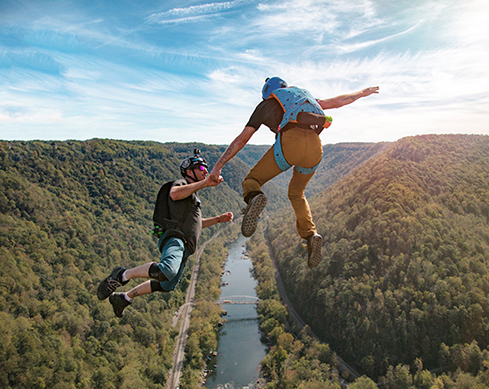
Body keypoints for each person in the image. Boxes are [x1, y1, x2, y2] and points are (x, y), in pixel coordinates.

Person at [209, 77, 378, 269]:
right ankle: (310, 234)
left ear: (267, 92)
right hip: (315, 149)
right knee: (297, 193)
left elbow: (241, 140)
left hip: (291, 143)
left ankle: (255, 198)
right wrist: (362, 93)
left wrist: (218, 166)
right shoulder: (304, 99)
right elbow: (338, 102)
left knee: (253, 180)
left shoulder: (265, 105)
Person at [97, 150, 233, 317]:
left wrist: (218, 219)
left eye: (206, 168)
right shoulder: (181, 183)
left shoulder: (191, 195)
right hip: (175, 238)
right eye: (200, 168)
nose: (205, 170)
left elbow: (196, 225)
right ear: (189, 171)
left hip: (185, 247)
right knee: (167, 270)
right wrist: (205, 183)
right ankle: (122, 274)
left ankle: (123, 298)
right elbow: (174, 193)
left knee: (167, 285)